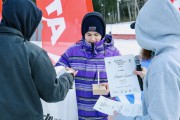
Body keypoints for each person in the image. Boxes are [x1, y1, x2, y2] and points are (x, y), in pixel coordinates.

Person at [0, 0, 77, 120]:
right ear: (26, 19)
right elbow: (53, 93)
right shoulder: (33, 53)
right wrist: (68, 76)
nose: (35, 29)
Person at [110, 0, 180, 119]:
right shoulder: (174, 53)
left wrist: (120, 118)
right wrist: (148, 77)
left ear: (149, 30)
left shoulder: (163, 64)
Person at [55, 12, 120, 120]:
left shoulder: (112, 53)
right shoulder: (72, 51)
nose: (92, 38)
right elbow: (58, 70)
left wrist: (111, 87)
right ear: (83, 34)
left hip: (104, 114)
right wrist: (65, 71)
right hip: (78, 112)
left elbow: (123, 80)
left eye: (96, 35)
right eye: (89, 34)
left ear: (102, 34)